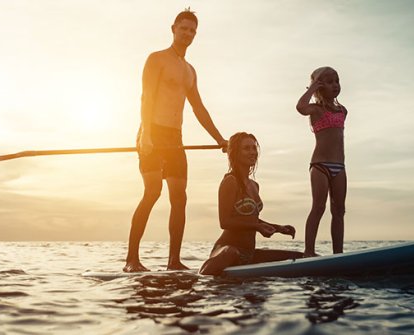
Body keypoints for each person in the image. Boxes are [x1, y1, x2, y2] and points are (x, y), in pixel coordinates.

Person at [124, 9, 227, 272]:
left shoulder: (190, 71)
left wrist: (220, 139)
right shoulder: (156, 59)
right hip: (152, 132)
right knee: (152, 191)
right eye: (183, 28)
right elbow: (146, 97)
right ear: (173, 28)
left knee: (179, 198)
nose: (188, 34)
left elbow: (199, 109)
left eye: (192, 30)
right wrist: (146, 134)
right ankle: (131, 260)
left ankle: (174, 261)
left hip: (175, 137)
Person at [199, 132, 303, 276]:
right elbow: (225, 222)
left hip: (249, 254)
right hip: (226, 250)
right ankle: (202, 279)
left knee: (299, 257)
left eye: (254, 148)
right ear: (235, 153)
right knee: (230, 252)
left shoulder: (255, 185)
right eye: (246, 148)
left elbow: (251, 220)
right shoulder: (230, 182)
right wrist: (256, 226)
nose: (252, 152)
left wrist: (278, 228)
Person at [296, 66, 348, 257]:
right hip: (320, 166)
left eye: (337, 80)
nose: (335, 85)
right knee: (318, 207)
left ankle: (338, 254)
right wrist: (311, 88)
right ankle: (308, 251)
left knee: (339, 210)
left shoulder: (343, 110)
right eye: (329, 81)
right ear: (319, 86)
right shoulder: (315, 109)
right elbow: (300, 107)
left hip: (339, 167)